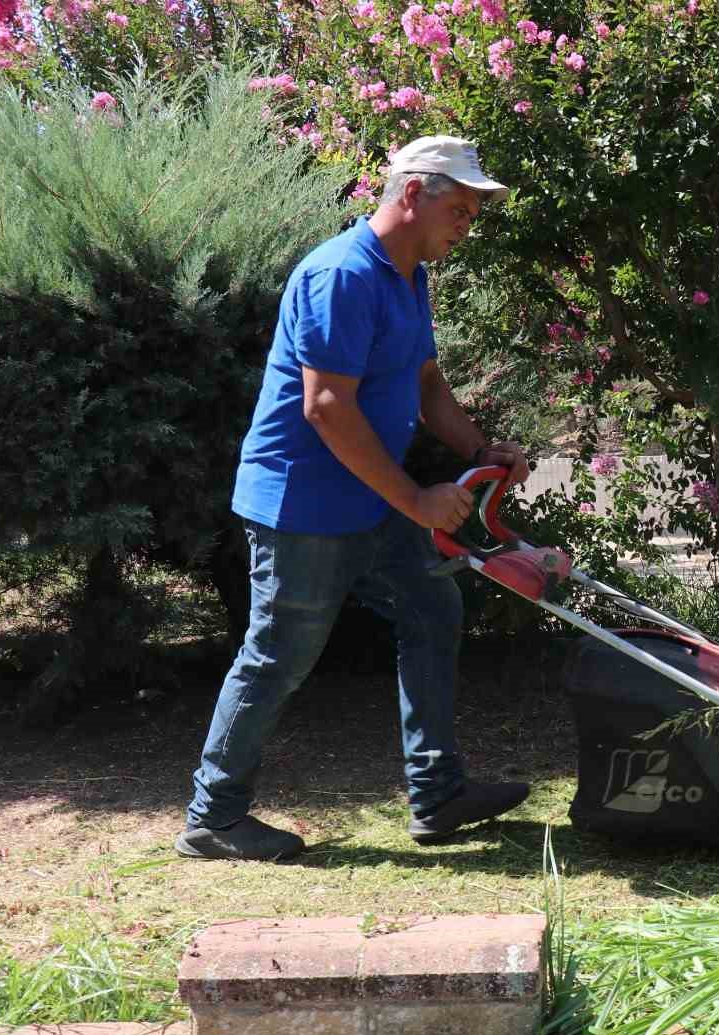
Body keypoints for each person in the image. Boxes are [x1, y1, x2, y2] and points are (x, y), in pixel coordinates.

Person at [176, 135, 533, 861]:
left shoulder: (410, 277)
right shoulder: (343, 275)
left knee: (433, 608)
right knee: (278, 657)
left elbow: (427, 385)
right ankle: (213, 818)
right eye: (459, 208)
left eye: (473, 211)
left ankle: (438, 794)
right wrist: (416, 499)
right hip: (303, 508)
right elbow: (328, 407)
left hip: (372, 502)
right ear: (411, 194)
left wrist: (479, 451)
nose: (468, 223)